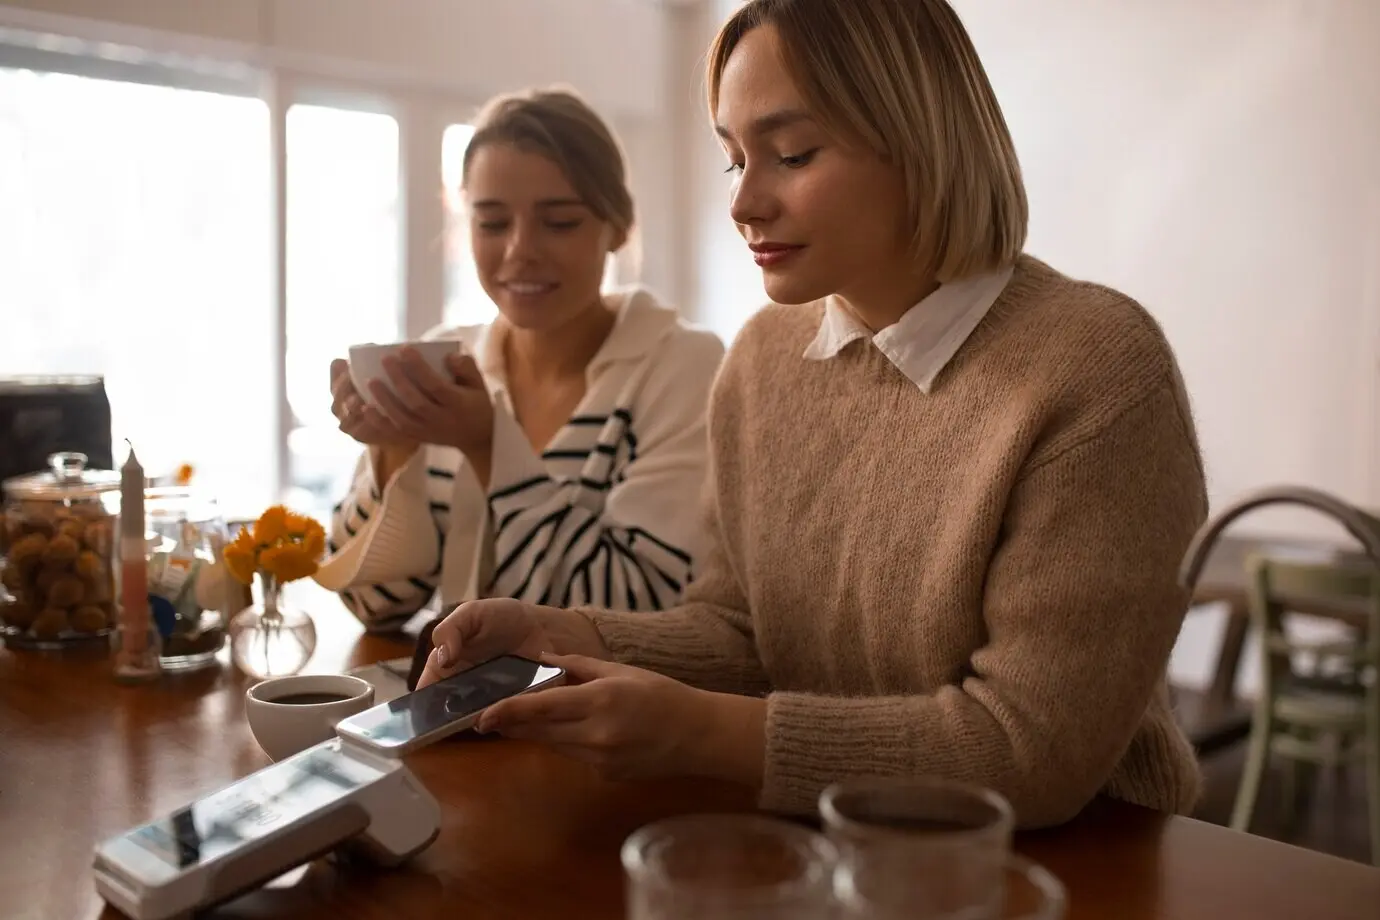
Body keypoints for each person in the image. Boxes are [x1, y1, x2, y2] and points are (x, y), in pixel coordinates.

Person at [419, 0, 1208, 829]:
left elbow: (1025, 752)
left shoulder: (1097, 372)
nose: (744, 203)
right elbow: (743, 633)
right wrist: (567, 635)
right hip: (821, 849)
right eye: (733, 160)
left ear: (921, 139)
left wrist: (703, 734)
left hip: (1069, 870)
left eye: (792, 154)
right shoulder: (764, 359)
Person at [315, 87, 724, 633]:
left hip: (598, 713)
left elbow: (633, 613)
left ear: (618, 226)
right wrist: (394, 451)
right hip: (454, 703)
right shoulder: (448, 364)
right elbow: (376, 604)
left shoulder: (680, 367)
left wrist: (490, 448)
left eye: (559, 222)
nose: (519, 251)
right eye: (491, 223)